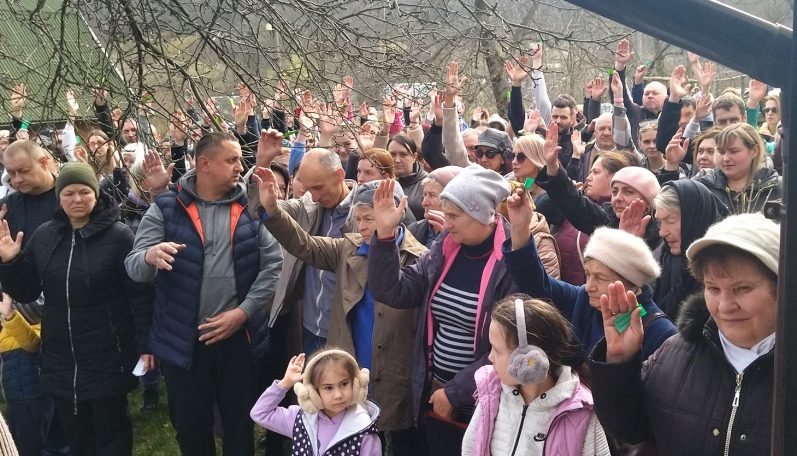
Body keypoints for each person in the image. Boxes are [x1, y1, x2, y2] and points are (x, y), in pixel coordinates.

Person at [125, 132, 283, 455]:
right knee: (191, 428)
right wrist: (149, 256)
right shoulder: (167, 208)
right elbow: (133, 266)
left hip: (238, 340)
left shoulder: (250, 207)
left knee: (240, 427)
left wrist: (243, 312)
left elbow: (273, 265)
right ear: (204, 164)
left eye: (240, 159)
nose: (240, 167)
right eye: (232, 160)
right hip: (183, 342)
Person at [254, 173, 425, 454]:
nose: (362, 226)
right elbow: (304, 245)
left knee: (401, 441)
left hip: (396, 371)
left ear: (395, 214)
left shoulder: (419, 258)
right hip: (350, 367)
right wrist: (272, 211)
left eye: (369, 218)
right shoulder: (348, 249)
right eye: (358, 218)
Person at [588, 213, 779, 455]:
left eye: (742, 289)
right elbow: (630, 429)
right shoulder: (674, 353)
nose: (724, 306)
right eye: (713, 288)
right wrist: (619, 362)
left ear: (782, 287)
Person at [0, 162, 154, 455]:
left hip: (108, 351)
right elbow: (26, 290)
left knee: (112, 436)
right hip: (60, 354)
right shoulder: (45, 235)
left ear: (96, 194)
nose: (77, 199)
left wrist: (146, 343)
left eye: (84, 192)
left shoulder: (119, 236)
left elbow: (139, 295)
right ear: (59, 197)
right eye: (69, 193)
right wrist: (10, 262)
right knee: (78, 439)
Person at [368, 166, 514, 455]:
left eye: (454, 216)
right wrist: (384, 236)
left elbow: (511, 344)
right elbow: (394, 290)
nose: (446, 224)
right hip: (434, 388)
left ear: (482, 214)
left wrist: (456, 392)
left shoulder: (510, 262)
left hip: (481, 397)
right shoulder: (444, 248)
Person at [503, 186, 675, 360]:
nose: (589, 286)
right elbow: (536, 284)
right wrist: (520, 228)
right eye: (588, 274)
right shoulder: (584, 300)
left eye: (600, 277)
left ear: (631, 283)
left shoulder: (660, 334)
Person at [462, 296, 610, 456]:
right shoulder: (490, 392)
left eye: (497, 350)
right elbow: (470, 449)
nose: (490, 357)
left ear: (529, 359)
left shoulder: (581, 411)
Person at [250, 350, 381, 456]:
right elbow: (260, 413)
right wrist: (285, 383)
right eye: (328, 388)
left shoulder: (364, 431)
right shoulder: (300, 419)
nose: (338, 395)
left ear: (356, 384)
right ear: (312, 391)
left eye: (344, 384)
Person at [652, 180, 729, 319]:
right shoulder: (662, 258)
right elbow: (645, 309)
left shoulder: (725, 267)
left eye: (671, 221)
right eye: (660, 222)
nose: (662, 232)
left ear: (694, 218)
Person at [693, 122, 781, 214]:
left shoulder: (778, 189)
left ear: (754, 151)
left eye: (733, 151)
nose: (726, 158)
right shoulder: (703, 184)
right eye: (721, 152)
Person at [408, 166, 461, 248]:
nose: (424, 203)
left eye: (432, 196)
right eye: (424, 195)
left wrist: (448, 236)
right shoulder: (413, 230)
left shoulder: (466, 235)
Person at [387, 134, 427, 220]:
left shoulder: (428, 183)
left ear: (414, 157)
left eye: (403, 154)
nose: (397, 160)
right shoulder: (382, 183)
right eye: (392, 154)